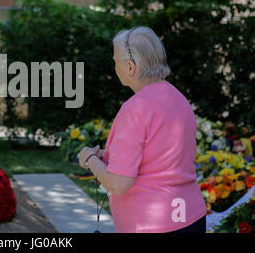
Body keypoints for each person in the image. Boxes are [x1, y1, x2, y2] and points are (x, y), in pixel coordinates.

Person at [78, 26, 207, 233]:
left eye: (115, 62)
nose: (114, 67)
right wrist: (110, 158)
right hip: (190, 217)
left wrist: (89, 159)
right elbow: (160, 157)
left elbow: (119, 184)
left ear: (130, 67)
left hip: (151, 224)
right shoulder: (178, 99)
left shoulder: (135, 109)